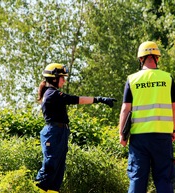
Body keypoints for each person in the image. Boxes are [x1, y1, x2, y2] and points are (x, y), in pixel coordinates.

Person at [35, 63, 117, 193]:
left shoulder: (53, 93)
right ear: (54, 78)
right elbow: (75, 99)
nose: (64, 80)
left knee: (58, 170)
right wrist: (99, 99)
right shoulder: (52, 94)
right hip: (54, 133)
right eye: (62, 77)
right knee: (50, 167)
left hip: (59, 132)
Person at [119, 41, 175, 193]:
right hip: (162, 137)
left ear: (140, 59)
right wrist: (173, 129)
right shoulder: (167, 78)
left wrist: (122, 134)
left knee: (137, 178)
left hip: (139, 139)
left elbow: (126, 109)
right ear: (157, 58)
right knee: (163, 178)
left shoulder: (132, 79)